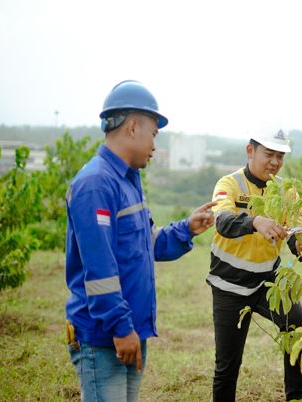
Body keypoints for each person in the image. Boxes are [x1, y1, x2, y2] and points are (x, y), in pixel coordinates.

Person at [64, 80, 216, 402]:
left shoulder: (129, 180)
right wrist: (121, 328)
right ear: (133, 127)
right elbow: (100, 270)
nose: (155, 146)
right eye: (154, 134)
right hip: (106, 336)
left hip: (130, 331)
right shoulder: (96, 184)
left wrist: (186, 229)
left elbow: (145, 243)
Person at [207, 128, 302, 401]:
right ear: (250, 151)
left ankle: (297, 397)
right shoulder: (228, 185)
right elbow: (222, 222)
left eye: (280, 156)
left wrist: (300, 245)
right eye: (269, 154)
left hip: (268, 282)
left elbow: (295, 232)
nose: (275, 162)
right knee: (227, 365)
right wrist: (255, 222)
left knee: (297, 328)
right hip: (228, 286)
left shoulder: (287, 192)